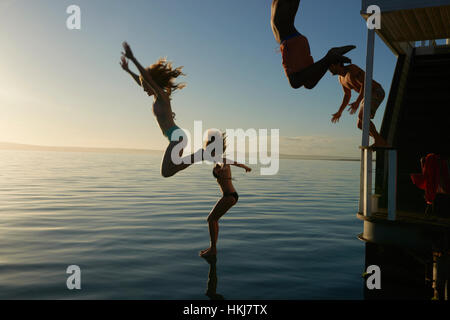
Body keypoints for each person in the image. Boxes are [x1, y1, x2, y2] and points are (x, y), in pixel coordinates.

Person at [120, 42, 204, 177]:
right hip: (175, 137)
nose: (144, 90)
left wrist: (133, 58)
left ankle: (199, 155)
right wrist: (128, 70)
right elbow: (142, 80)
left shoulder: (163, 97)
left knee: (166, 172)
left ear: (152, 84)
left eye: (145, 87)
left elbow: (146, 78)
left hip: (178, 138)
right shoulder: (156, 97)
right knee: (168, 171)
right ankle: (199, 155)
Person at [271, 0, 356, 89]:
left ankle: (329, 58)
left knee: (295, 81)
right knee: (309, 83)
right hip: (293, 40)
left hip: (292, 40)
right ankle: (329, 58)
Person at [199, 132, 251, 258]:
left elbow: (227, 163)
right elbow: (235, 162)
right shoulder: (218, 160)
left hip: (230, 196)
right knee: (213, 219)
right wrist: (245, 167)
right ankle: (213, 248)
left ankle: (213, 249)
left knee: (211, 219)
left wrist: (223, 168)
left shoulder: (221, 160)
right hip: (229, 196)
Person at [329, 62, 388, 147]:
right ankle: (380, 140)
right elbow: (347, 95)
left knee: (363, 117)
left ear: (338, 63)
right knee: (360, 125)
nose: (329, 69)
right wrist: (339, 112)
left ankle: (379, 141)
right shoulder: (340, 79)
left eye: (330, 66)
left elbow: (365, 84)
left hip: (376, 91)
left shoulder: (352, 69)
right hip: (366, 95)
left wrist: (357, 102)